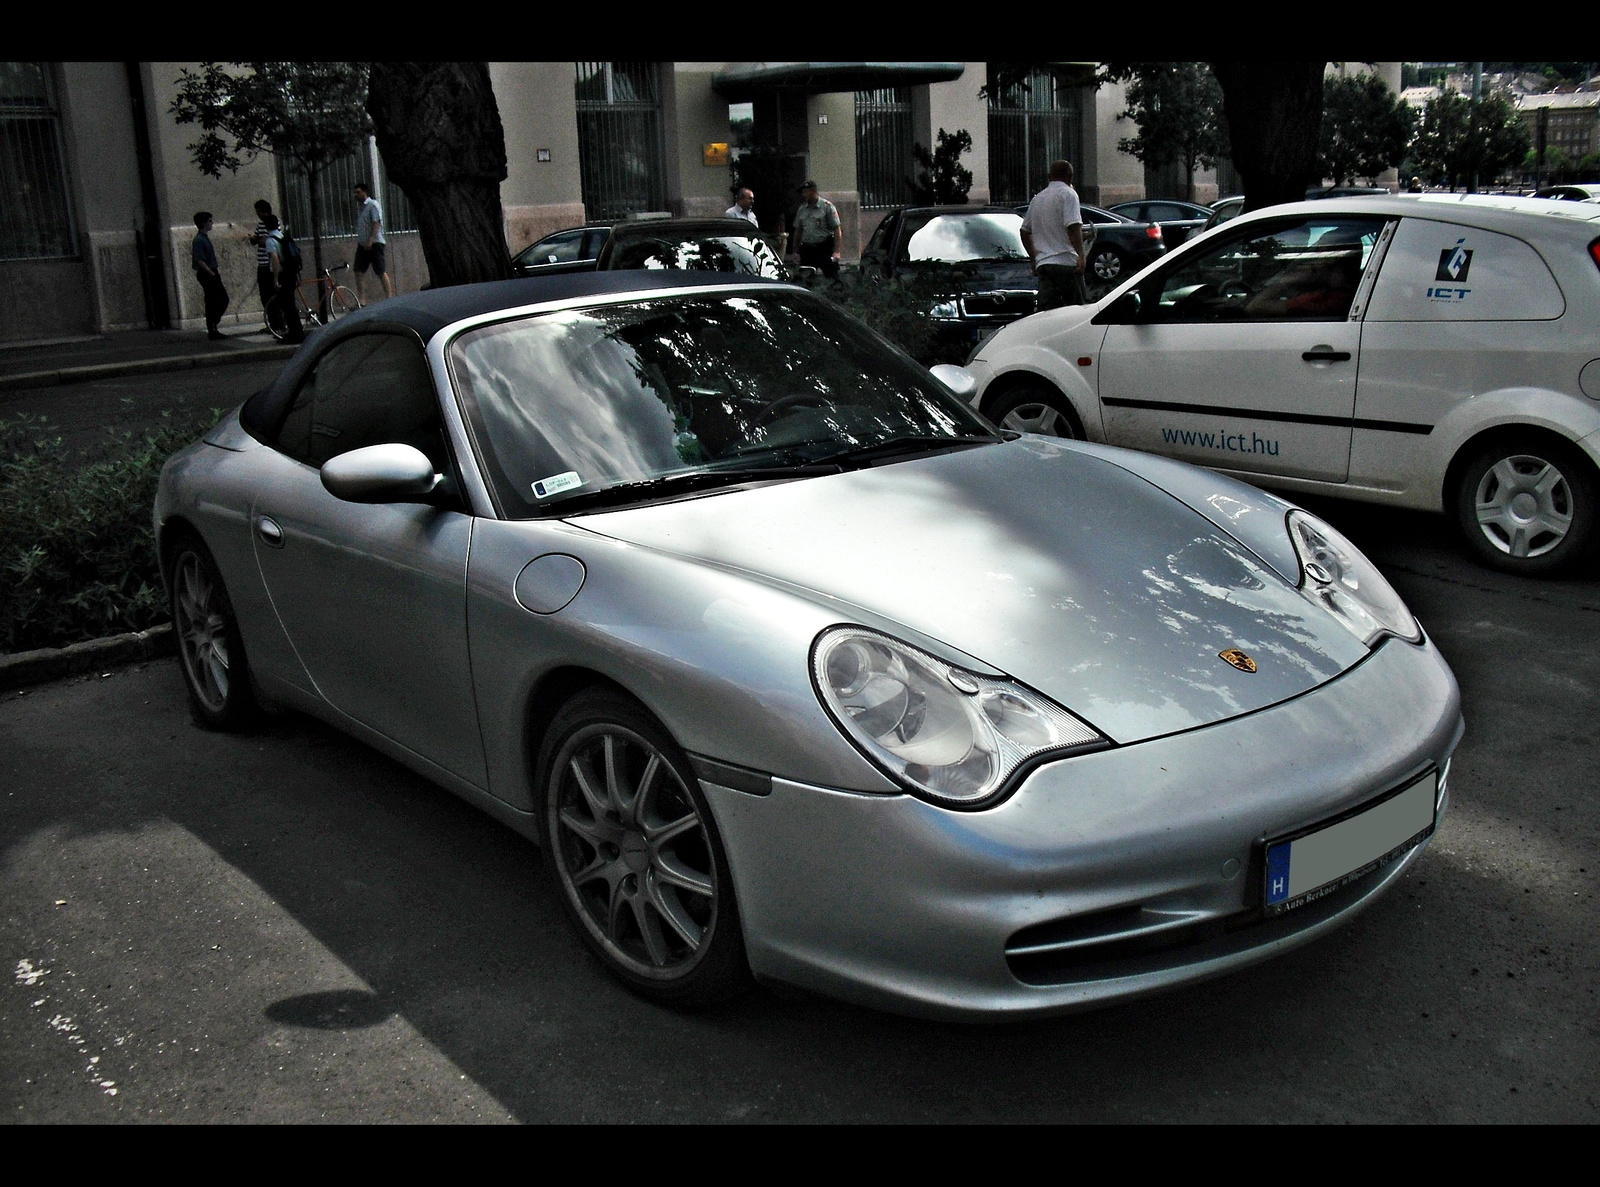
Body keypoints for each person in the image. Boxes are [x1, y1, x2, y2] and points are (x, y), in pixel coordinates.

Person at [1020, 160, 1086, 310]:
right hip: (1066, 262)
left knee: (1048, 313)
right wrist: (1081, 255)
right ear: (1070, 177)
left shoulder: (1037, 199)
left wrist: (1034, 257)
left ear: (1049, 176)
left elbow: (1024, 231)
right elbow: (1073, 227)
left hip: (1045, 264)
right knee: (1077, 311)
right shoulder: (1069, 194)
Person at [262, 214, 304, 343]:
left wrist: (275, 279)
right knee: (290, 304)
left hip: (282, 274)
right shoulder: (282, 236)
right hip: (290, 273)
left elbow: (275, 259)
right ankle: (297, 332)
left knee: (287, 306)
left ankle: (295, 334)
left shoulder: (270, 240)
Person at [789, 180, 841, 280]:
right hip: (807, 248)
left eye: (805, 192)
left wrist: (837, 251)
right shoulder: (802, 209)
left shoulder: (827, 207)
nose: (803, 195)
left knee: (833, 278)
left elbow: (837, 229)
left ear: (813, 191)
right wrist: (795, 251)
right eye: (802, 192)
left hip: (824, 247)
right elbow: (798, 231)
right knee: (805, 278)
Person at [352, 181, 392, 304]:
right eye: (354, 193)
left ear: (365, 192)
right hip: (363, 244)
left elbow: (376, 223)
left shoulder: (372, 205)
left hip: (375, 243)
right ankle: (362, 300)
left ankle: (389, 298)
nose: (356, 195)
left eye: (358, 192)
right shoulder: (361, 208)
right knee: (358, 270)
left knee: (380, 270)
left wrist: (370, 239)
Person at [191, 211, 229, 340]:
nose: (212, 223)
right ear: (204, 223)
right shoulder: (199, 240)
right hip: (207, 273)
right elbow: (199, 260)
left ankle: (213, 324)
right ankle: (212, 326)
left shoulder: (204, 238)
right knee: (216, 300)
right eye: (210, 221)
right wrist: (211, 273)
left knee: (219, 300)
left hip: (211, 271)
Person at [248, 199, 276, 318]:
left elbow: (268, 240)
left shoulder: (273, 223)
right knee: (264, 296)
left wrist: (258, 240)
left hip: (269, 264)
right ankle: (270, 320)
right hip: (262, 264)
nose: (257, 215)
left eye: (258, 212)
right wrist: (255, 239)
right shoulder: (260, 225)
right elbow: (257, 240)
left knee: (271, 295)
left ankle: (277, 322)